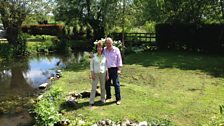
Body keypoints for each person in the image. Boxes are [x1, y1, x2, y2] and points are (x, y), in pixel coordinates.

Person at [104, 37, 123, 105]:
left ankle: (118, 99)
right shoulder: (104, 50)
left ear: (112, 43)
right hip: (106, 69)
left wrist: (119, 69)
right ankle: (108, 97)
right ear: (105, 43)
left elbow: (119, 60)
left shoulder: (116, 50)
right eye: (107, 43)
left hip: (114, 69)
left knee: (116, 84)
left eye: (109, 43)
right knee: (107, 84)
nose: (108, 44)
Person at [89, 40, 109, 106]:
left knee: (103, 87)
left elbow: (106, 66)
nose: (99, 48)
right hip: (95, 73)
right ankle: (91, 101)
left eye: (100, 47)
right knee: (93, 88)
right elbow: (91, 66)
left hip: (103, 73)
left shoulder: (104, 56)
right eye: (98, 47)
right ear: (96, 48)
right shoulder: (93, 56)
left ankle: (103, 99)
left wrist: (107, 74)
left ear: (102, 48)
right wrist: (92, 74)